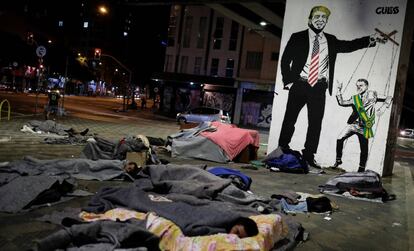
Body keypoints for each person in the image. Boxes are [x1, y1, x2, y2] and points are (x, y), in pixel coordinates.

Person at [278, 5, 386, 168]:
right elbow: (285, 60)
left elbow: (349, 46)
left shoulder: (330, 40)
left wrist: (370, 40)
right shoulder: (297, 37)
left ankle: (309, 155)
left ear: (326, 21)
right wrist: (289, 82)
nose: (320, 20)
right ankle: (282, 149)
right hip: (299, 84)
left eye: (324, 18)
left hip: (319, 87)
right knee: (289, 119)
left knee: (315, 123)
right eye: (317, 17)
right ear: (310, 19)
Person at [333, 79, 392, 172]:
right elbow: (342, 102)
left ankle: (361, 168)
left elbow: (389, 97)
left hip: (364, 127)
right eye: (357, 86)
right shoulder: (354, 98)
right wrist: (339, 90)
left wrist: (383, 108)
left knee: (364, 149)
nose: (359, 87)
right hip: (353, 124)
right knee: (339, 139)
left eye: (361, 85)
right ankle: (338, 160)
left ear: (367, 86)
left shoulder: (373, 94)